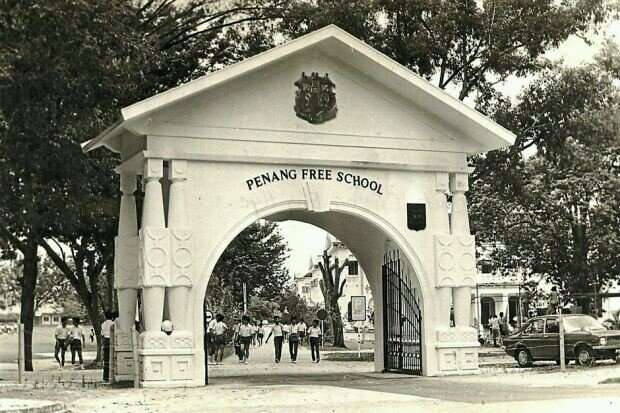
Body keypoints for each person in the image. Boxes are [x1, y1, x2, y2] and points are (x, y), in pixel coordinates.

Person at [101, 311, 115, 382]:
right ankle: (112, 375)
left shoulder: (103, 324)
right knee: (112, 358)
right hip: (112, 341)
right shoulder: (113, 324)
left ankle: (105, 377)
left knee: (106, 359)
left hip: (106, 341)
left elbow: (102, 335)